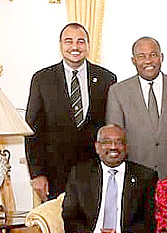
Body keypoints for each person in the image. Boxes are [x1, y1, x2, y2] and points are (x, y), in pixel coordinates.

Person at [25, 22, 117, 200]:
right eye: (69, 41)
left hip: (96, 170)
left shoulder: (107, 79)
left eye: (80, 41)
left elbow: (111, 126)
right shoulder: (42, 79)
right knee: (60, 225)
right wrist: (37, 174)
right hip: (55, 174)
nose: (75, 46)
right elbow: (32, 130)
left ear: (88, 46)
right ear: (60, 45)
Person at [106, 36, 167, 179]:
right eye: (141, 56)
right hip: (134, 178)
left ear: (161, 57)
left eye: (153, 55)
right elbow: (115, 140)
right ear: (133, 60)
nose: (148, 61)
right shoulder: (118, 92)